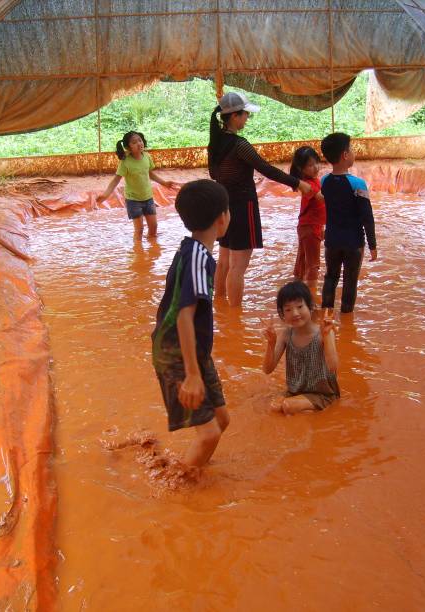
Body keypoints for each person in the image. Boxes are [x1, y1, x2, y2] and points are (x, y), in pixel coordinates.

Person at [151, 179, 232, 470]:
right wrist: (192, 375)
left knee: (222, 420)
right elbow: (185, 315)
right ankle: (181, 491)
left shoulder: (194, 250)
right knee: (209, 433)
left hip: (193, 351)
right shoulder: (198, 257)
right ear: (222, 218)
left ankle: (196, 471)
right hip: (176, 353)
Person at [207, 91, 313, 306]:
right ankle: (235, 317)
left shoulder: (215, 143)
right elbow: (265, 168)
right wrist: (297, 183)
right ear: (234, 116)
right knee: (238, 266)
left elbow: (214, 174)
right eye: (245, 114)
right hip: (242, 206)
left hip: (223, 206)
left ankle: (220, 309)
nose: (247, 118)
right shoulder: (239, 145)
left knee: (225, 260)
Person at [319, 133, 377, 315]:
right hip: (353, 242)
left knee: (331, 277)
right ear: (345, 155)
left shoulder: (324, 181)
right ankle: (346, 317)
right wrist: (373, 245)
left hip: (332, 240)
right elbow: (367, 216)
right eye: (351, 149)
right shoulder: (358, 183)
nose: (353, 153)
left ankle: (326, 315)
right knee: (350, 280)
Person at [262, 281, 339, 414]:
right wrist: (271, 343)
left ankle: (321, 413)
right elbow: (267, 369)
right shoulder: (286, 335)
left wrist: (326, 336)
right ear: (283, 314)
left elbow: (333, 367)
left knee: (288, 407)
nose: (295, 313)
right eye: (288, 309)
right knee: (274, 408)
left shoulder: (324, 332)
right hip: (295, 392)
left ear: (310, 306)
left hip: (323, 394)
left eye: (299, 306)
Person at [96, 130, 178, 240]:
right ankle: (138, 252)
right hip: (133, 200)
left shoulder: (147, 157)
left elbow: (150, 174)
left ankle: (150, 254)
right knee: (139, 230)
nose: (139, 143)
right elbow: (116, 180)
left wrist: (164, 183)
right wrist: (105, 195)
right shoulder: (125, 162)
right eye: (134, 142)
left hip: (148, 198)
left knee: (154, 227)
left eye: (140, 140)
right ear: (128, 148)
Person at [289, 146, 326, 295]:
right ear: (301, 169)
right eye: (310, 165)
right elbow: (322, 198)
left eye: (316, 162)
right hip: (310, 228)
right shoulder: (308, 184)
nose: (316, 167)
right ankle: (311, 297)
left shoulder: (313, 180)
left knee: (304, 261)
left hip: (309, 226)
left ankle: (296, 290)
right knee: (313, 264)